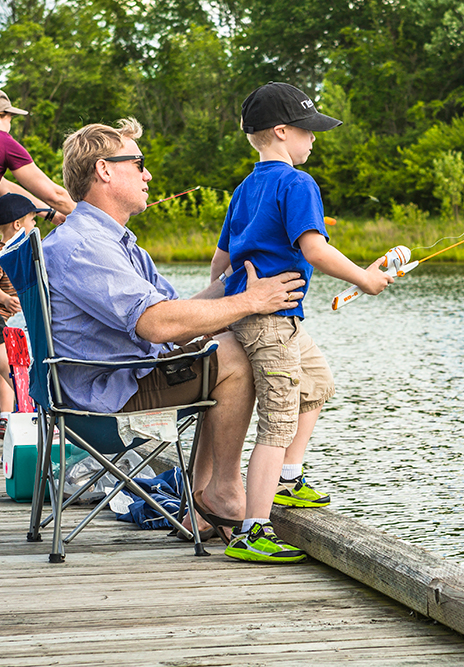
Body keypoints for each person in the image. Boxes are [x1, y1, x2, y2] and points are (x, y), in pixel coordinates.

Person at [41, 117, 306, 547]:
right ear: (104, 170)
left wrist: (236, 282)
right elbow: (159, 324)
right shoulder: (85, 245)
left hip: (105, 383)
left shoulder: (114, 241)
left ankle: (205, 500)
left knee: (215, 348)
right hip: (102, 401)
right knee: (234, 356)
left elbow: (178, 316)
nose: (147, 175)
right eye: (138, 163)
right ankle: (220, 493)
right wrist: (251, 302)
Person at [210, 82, 393, 563]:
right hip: (271, 321)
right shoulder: (297, 184)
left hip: (268, 319)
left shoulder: (245, 188)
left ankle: (289, 479)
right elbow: (314, 248)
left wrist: (225, 310)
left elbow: (221, 262)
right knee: (276, 423)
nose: (314, 139)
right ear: (281, 132)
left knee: (317, 382)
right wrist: (364, 278)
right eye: (308, 131)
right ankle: (253, 529)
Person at [0, 193, 51, 437]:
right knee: (13, 366)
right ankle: (35, 409)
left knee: (6, 369)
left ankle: (7, 418)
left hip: (4, 322)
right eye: (32, 221)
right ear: (17, 225)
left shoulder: (14, 254)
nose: (35, 226)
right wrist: (5, 298)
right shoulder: (5, 252)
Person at [0, 90, 75, 225]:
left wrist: (50, 213)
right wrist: (95, 220)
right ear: (4, 115)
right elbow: (56, 196)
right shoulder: (4, 143)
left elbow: (5, 188)